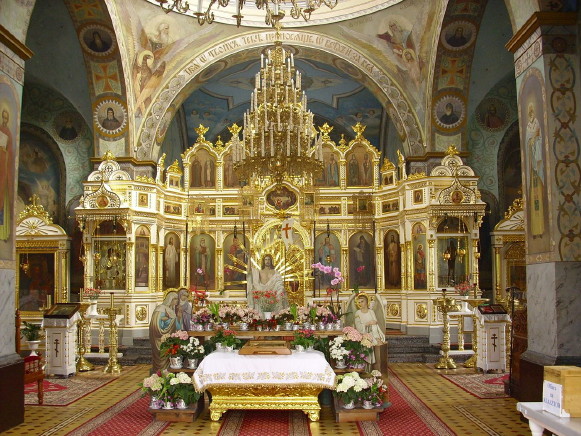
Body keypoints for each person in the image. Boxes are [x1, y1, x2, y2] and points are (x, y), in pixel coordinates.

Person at [526, 102, 545, 239]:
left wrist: (535, 139)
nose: (531, 114)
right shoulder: (527, 125)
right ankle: (536, 231)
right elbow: (528, 138)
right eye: (530, 112)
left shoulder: (537, 122)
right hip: (532, 159)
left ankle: (540, 230)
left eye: (532, 111)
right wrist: (530, 140)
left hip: (537, 160)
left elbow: (539, 136)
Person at [354, 293, 385, 371]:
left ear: (367, 302)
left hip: (372, 334)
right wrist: (368, 323)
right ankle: (365, 369)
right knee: (367, 343)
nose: (360, 303)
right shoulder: (358, 313)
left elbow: (375, 324)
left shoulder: (371, 312)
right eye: (359, 302)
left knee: (378, 342)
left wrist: (376, 337)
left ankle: (374, 370)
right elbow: (359, 327)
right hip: (362, 335)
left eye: (362, 301)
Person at [149, 291, 178, 371]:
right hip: (160, 336)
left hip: (169, 336)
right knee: (162, 354)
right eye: (175, 299)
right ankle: (159, 373)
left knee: (169, 354)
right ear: (170, 299)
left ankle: (169, 372)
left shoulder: (170, 309)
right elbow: (156, 324)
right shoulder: (160, 309)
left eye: (177, 299)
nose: (177, 301)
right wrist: (171, 320)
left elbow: (176, 324)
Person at [0, 108, 13, 241]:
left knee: (3, 194)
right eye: (2, 117)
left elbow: (10, 150)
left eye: (6, 118)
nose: (4, 121)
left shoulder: (8, 132)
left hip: (3, 164)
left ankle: (3, 232)